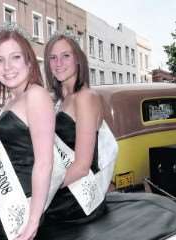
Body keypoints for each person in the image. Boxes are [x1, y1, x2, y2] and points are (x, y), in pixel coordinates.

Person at [0, 23, 60, 240]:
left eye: (15, 57)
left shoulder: (36, 95)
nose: (7, 67)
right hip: (6, 197)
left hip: (21, 205)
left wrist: (33, 221)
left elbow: (44, 162)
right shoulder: (11, 101)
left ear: (29, 61)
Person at [41, 33, 118, 229]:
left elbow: (83, 166)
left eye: (65, 56)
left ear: (78, 60)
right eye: (52, 57)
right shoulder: (59, 101)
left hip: (75, 199)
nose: (58, 63)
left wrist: (42, 191)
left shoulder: (85, 97)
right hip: (64, 190)